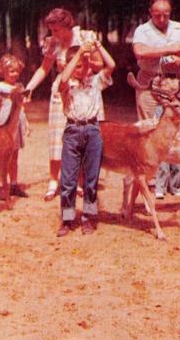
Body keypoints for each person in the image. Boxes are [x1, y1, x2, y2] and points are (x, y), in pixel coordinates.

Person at [23, 7, 104, 201]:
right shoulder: (53, 43)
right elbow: (45, 68)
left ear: (68, 26)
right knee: (58, 135)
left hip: (84, 89)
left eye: (57, 30)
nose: (53, 34)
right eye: (51, 30)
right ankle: (54, 180)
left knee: (84, 134)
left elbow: (101, 65)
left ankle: (80, 180)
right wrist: (29, 87)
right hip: (63, 90)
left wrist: (84, 62)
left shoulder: (84, 37)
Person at [132, 0, 180, 199]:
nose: (162, 19)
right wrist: (167, 50)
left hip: (175, 83)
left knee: (177, 128)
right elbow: (139, 51)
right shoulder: (142, 31)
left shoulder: (179, 28)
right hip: (150, 84)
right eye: (157, 15)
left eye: (166, 15)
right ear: (150, 13)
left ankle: (177, 179)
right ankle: (151, 176)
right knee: (150, 127)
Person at [56, 39, 115, 237]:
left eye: (86, 64)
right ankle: (67, 218)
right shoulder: (66, 84)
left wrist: (98, 47)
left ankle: (88, 217)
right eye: (79, 65)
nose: (83, 69)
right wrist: (79, 53)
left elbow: (111, 65)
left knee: (91, 178)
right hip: (73, 130)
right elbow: (63, 79)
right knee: (68, 178)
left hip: (92, 130)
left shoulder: (95, 82)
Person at [0, 54, 30, 200]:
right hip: (5, 123)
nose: (15, 74)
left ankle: (14, 184)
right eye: (11, 71)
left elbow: (22, 108)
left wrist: (26, 123)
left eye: (16, 71)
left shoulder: (19, 87)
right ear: (3, 72)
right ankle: (2, 185)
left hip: (17, 122)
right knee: (4, 156)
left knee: (15, 156)